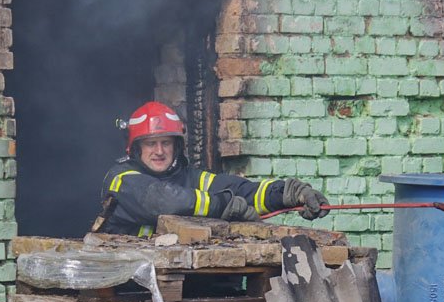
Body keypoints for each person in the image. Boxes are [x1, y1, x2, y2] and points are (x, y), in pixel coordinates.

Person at [96, 101, 330, 236]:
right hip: (130, 289)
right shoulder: (121, 179)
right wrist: (221, 205)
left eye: (166, 142)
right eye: (150, 143)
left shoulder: (191, 177)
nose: (159, 151)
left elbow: (241, 190)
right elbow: (164, 201)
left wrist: (288, 194)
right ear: (135, 148)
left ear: (176, 146)